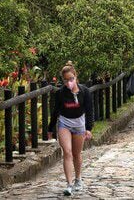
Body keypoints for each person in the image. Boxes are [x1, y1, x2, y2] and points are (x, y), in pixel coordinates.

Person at [48, 61, 94, 196]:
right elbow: (55, 111)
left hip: (79, 124)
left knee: (76, 154)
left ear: (75, 76)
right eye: (66, 80)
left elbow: (90, 111)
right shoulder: (61, 93)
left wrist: (89, 128)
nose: (69, 82)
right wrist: (50, 128)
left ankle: (78, 179)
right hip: (64, 123)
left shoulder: (85, 92)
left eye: (71, 79)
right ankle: (69, 184)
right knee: (67, 152)